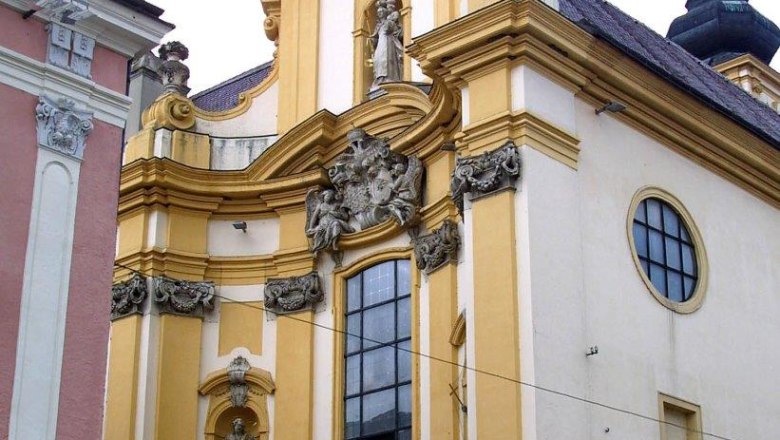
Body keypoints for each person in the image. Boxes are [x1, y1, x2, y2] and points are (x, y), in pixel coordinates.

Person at [370, 0, 403, 90]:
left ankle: (389, 78)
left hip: (388, 44)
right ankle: (380, 79)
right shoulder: (378, 26)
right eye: (378, 12)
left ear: (384, 12)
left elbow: (398, 33)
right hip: (380, 44)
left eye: (381, 11)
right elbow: (375, 37)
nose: (380, 13)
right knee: (379, 61)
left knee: (388, 60)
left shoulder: (389, 23)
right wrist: (373, 40)